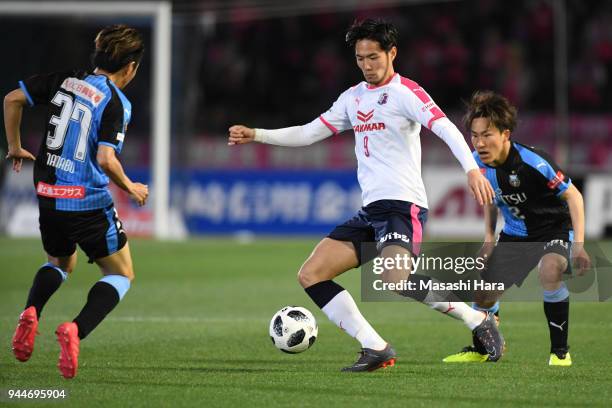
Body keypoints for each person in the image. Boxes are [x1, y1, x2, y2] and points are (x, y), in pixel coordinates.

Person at [229, 18, 504, 372]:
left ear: (392, 53)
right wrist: (257, 134)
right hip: (370, 212)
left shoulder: (406, 93)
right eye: (360, 58)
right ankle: (375, 347)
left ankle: (477, 320)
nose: (367, 65)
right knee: (311, 274)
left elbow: (445, 128)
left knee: (396, 279)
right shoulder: (352, 98)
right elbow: (310, 132)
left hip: (402, 207)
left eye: (373, 57)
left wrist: (471, 169)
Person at [5, 24, 148, 379]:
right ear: (130, 67)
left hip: (48, 194)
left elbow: (11, 99)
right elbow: (105, 159)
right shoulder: (117, 102)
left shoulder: (65, 80)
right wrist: (131, 187)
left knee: (58, 262)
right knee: (122, 273)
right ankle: (75, 329)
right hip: (86, 201)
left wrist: (13, 145)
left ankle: (31, 311)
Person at [442, 91, 591, 366]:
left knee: (550, 269)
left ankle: (560, 353)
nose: (479, 142)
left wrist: (579, 245)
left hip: (553, 230)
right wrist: (488, 238)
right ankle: (483, 349)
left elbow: (574, 196)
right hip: (516, 235)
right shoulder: (476, 164)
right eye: (474, 135)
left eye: (487, 134)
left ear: (505, 134)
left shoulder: (534, 162)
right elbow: (489, 198)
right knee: (483, 294)